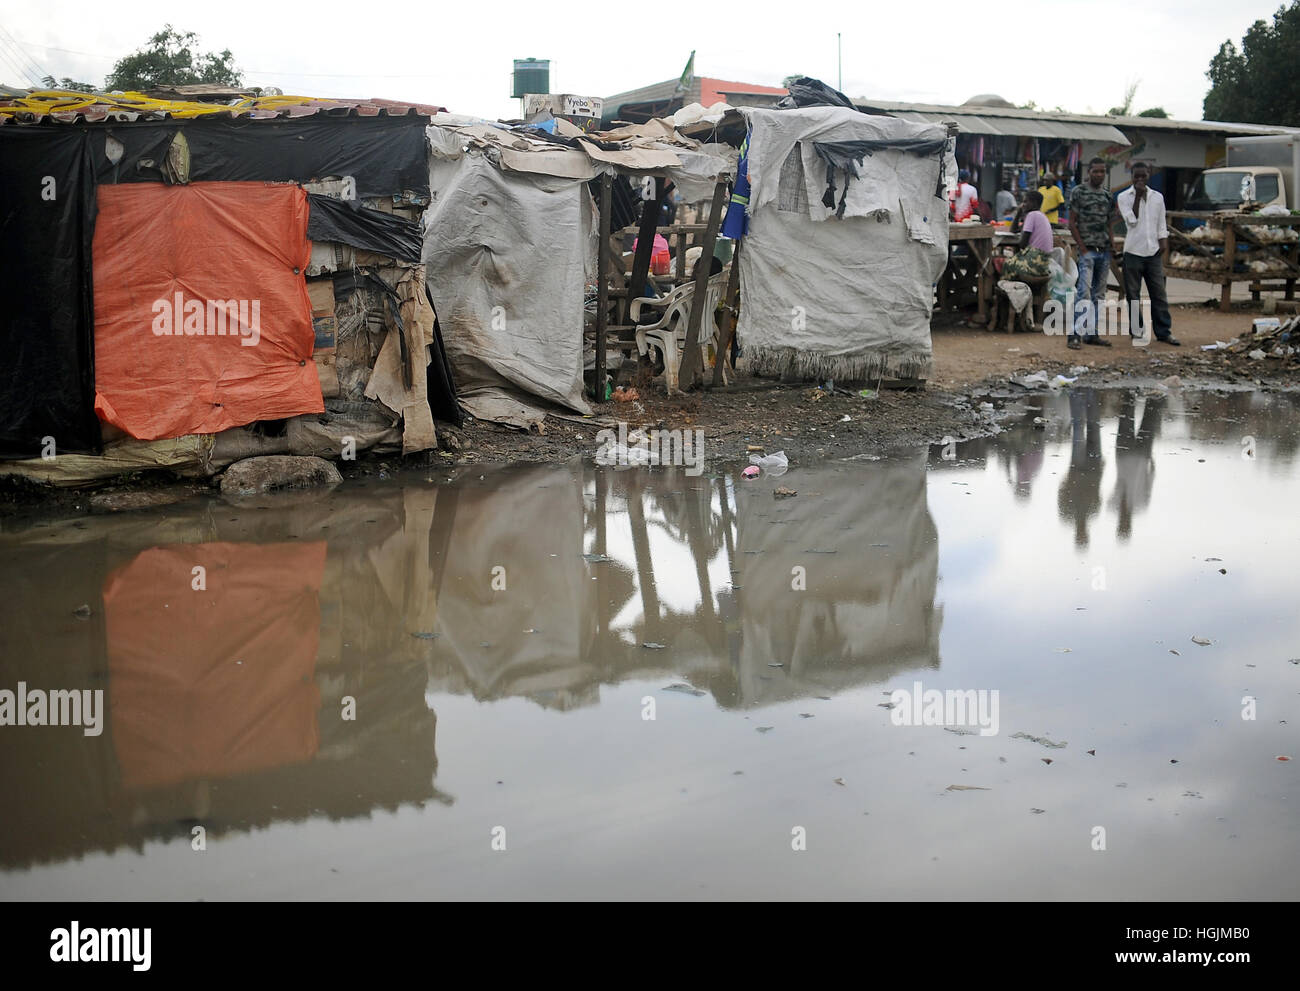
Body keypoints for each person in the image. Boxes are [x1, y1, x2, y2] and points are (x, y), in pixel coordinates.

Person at [1117, 161, 1179, 345]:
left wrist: (1164, 241)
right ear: (1132, 177)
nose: (1140, 180)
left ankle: (1164, 332)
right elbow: (1132, 221)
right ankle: (1137, 331)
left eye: (1143, 176)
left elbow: (1161, 223)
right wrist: (1137, 196)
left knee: (1158, 294)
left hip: (1153, 252)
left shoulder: (1157, 197)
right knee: (1133, 295)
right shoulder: (1123, 197)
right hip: (1133, 252)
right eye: (1136, 176)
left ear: (1148, 174)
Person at [1067, 157, 1116, 349]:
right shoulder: (1079, 192)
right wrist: (1083, 247)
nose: (1099, 175)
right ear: (1089, 172)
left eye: (1102, 172)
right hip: (1087, 251)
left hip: (1104, 251)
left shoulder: (1107, 195)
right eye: (1096, 171)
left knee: (1099, 295)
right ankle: (1074, 335)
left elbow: (1109, 223)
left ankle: (1092, 334)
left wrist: (1112, 244)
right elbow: (1072, 222)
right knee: (1083, 293)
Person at [1003, 190, 1053, 281]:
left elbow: (1022, 244)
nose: (1023, 205)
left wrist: (1018, 213)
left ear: (1034, 203)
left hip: (1035, 261)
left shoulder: (1032, 215)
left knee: (1006, 265)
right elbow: (1014, 230)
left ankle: (1006, 292)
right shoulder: (1040, 215)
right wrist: (1018, 213)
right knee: (1013, 260)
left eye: (1026, 202)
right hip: (1044, 262)